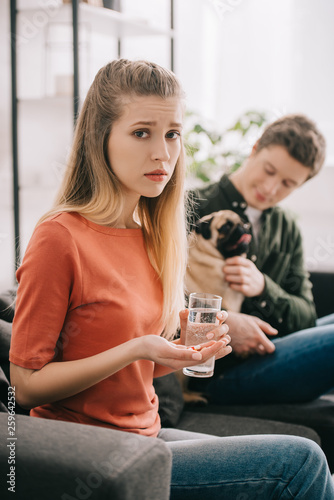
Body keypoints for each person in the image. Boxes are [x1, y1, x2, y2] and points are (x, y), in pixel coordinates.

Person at [9, 60, 334, 499]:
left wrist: (182, 351)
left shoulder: (151, 236)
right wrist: (138, 348)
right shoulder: (60, 237)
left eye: (172, 133)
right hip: (99, 452)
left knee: (318, 475)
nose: (162, 152)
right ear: (100, 136)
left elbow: (143, 366)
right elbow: (25, 385)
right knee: (301, 463)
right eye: (141, 132)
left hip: (148, 437)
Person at [187, 114, 334, 406]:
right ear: (254, 149)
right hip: (216, 371)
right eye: (268, 170)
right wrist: (227, 323)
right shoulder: (191, 206)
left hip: (278, 350)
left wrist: (264, 287)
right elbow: (152, 298)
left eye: (288, 184)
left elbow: (305, 316)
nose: (271, 189)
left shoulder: (286, 226)